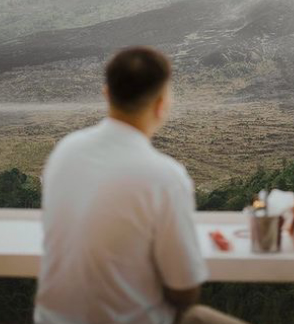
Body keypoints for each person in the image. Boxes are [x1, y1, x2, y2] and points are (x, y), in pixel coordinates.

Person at [34, 47, 246, 324]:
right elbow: (184, 292)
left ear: (106, 94)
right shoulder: (166, 177)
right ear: (161, 105)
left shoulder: (64, 151)